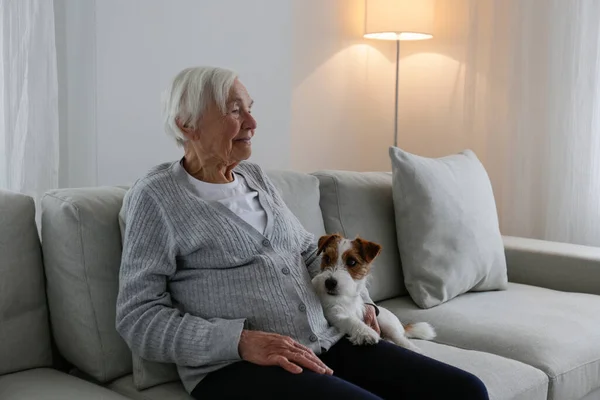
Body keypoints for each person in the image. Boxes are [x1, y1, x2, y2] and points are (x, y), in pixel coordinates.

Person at [116, 66, 489, 400]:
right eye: (235, 110)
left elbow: (312, 252)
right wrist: (240, 342)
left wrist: (362, 303)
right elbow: (137, 317)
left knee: (465, 391)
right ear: (187, 123)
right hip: (235, 367)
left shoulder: (256, 178)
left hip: (327, 338)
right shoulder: (156, 198)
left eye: (250, 107)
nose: (252, 122)